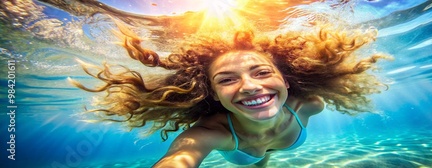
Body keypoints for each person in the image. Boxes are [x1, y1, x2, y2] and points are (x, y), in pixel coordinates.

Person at [70, 20, 391, 167]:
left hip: (262, 146)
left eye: (262, 72)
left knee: (264, 156)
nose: (250, 86)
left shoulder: (310, 105)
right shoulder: (212, 133)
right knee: (259, 159)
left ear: (287, 80)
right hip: (244, 150)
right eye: (227, 79)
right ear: (214, 95)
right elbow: (179, 158)